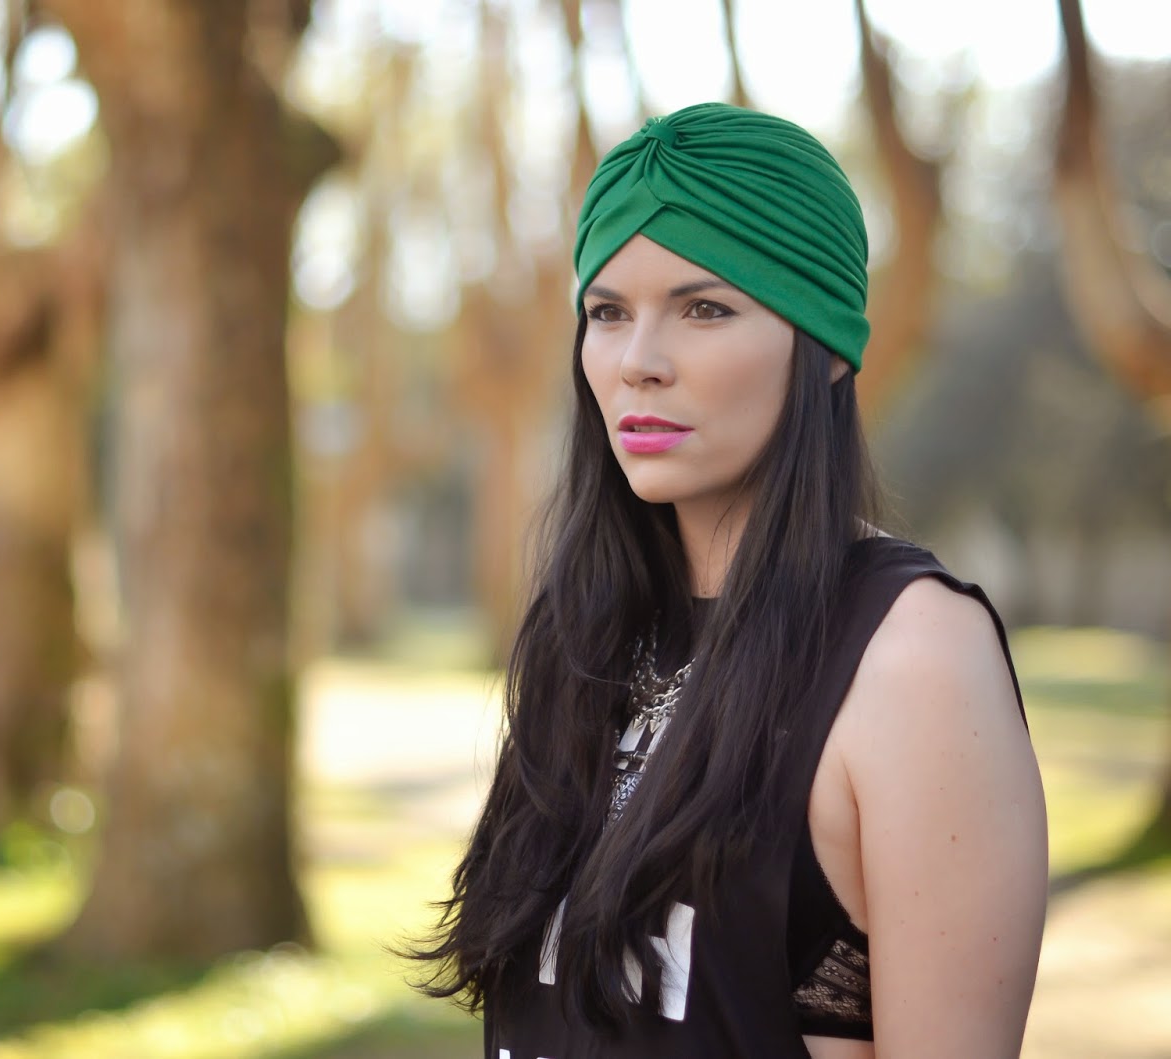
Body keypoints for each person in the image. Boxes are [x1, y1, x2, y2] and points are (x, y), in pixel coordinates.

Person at [407, 102, 1049, 1058]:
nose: (638, 362)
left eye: (704, 308)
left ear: (825, 347)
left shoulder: (912, 656)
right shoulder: (587, 632)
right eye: (607, 312)